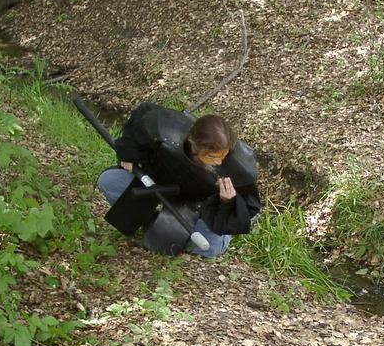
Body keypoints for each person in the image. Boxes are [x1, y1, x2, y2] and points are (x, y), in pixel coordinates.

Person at [97, 101, 262, 257]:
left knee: (209, 249)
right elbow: (143, 115)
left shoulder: (236, 169)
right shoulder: (169, 132)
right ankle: (149, 219)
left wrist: (228, 202)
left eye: (222, 156)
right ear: (194, 144)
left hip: (199, 205)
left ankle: (224, 238)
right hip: (159, 183)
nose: (218, 162)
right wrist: (129, 153)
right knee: (109, 181)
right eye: (212, 156)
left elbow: (250, 205)